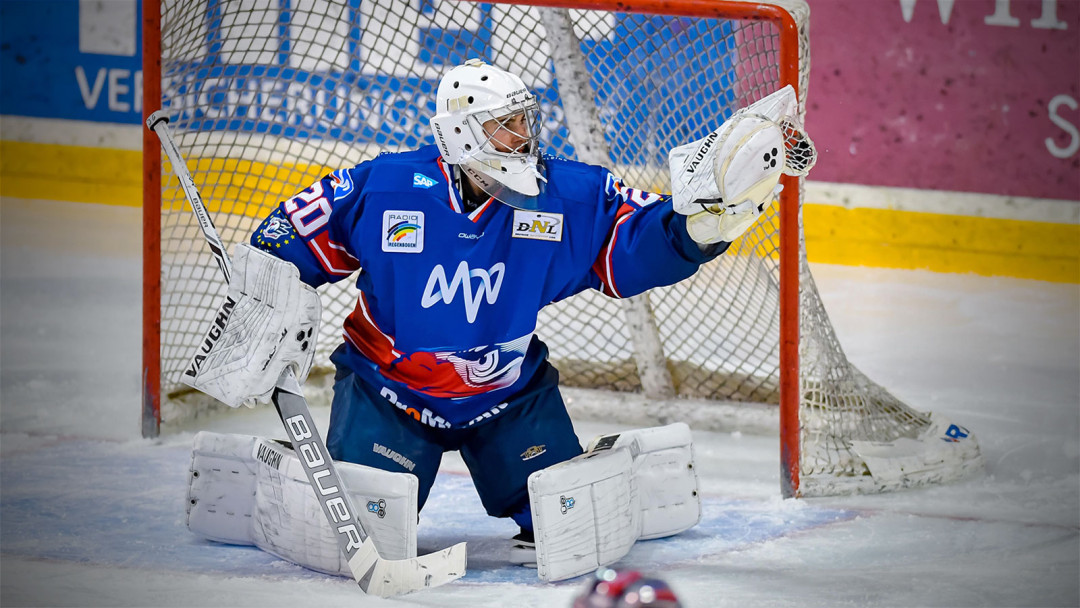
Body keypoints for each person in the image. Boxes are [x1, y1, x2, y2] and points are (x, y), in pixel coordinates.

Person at [182, 58, 813, 576]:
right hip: (388, 394)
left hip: (508, 398)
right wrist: (266, 294)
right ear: (460, 134)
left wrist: (702, 226)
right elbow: (291, 234)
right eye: (505, 127)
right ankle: (272, 476)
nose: (524, 139)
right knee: (360, 534)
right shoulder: (384, 189)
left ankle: (592, 474)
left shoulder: (568, 195)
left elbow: (636, 242)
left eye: (524, 122)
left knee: (570, 529)